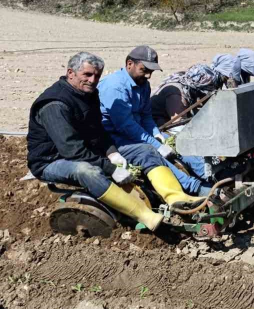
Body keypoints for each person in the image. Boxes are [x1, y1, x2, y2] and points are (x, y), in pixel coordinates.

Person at [27, 52, 203, 232]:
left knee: (144, 150)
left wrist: (112, 152)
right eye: (87, 75)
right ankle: (143, 213)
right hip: (51, 160)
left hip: (86, 150)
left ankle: (176, 198)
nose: (93, 80)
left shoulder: (89, 94)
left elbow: (97, 130)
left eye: (97, 75)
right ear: (70, 73)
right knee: (87, 171)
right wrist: (111, 169)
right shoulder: (55, 105)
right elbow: (71, 150)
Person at [97, 45, 210, 196]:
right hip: (115, 138)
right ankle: (193, 187)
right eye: (144, 70)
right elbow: (126, 126)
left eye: (151, 71)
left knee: (176, 141)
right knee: (150, 151)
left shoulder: (143, 85)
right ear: (130, 64)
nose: (149, 76)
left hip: (136, 132)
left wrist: (157, 134)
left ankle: (208, 174)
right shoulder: (114, 87)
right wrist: (156, 145)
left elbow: (146, 116)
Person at [151, 54, 242, 127]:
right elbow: (177, 126)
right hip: (155, 125)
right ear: (199, 88)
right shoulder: (177, 96)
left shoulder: (193, 89)